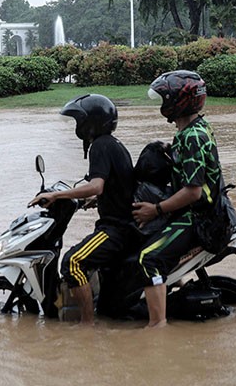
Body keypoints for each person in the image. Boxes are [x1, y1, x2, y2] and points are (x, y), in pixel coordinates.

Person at [29, 94, 138, 325]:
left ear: (91, 122)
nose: (77, 125)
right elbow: (116, 186)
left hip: (116, 229)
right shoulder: (113, 144)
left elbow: (97, 185)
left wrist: (56, 195)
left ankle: (87, 327)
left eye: (79, 120)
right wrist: (94, 200)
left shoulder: (100, 146)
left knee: (72, 263)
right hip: (124, 224)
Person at [132, 70, 224, 328]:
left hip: (199, 217)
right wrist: (168, 149)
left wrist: (156, 209)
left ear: (179, 101)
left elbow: (193, 191)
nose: (162, 104)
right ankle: (176, 286)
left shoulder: (192, 136)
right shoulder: (194, 129)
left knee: (148, 258)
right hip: (204, 211)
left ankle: (157, 326)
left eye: (165, 99)